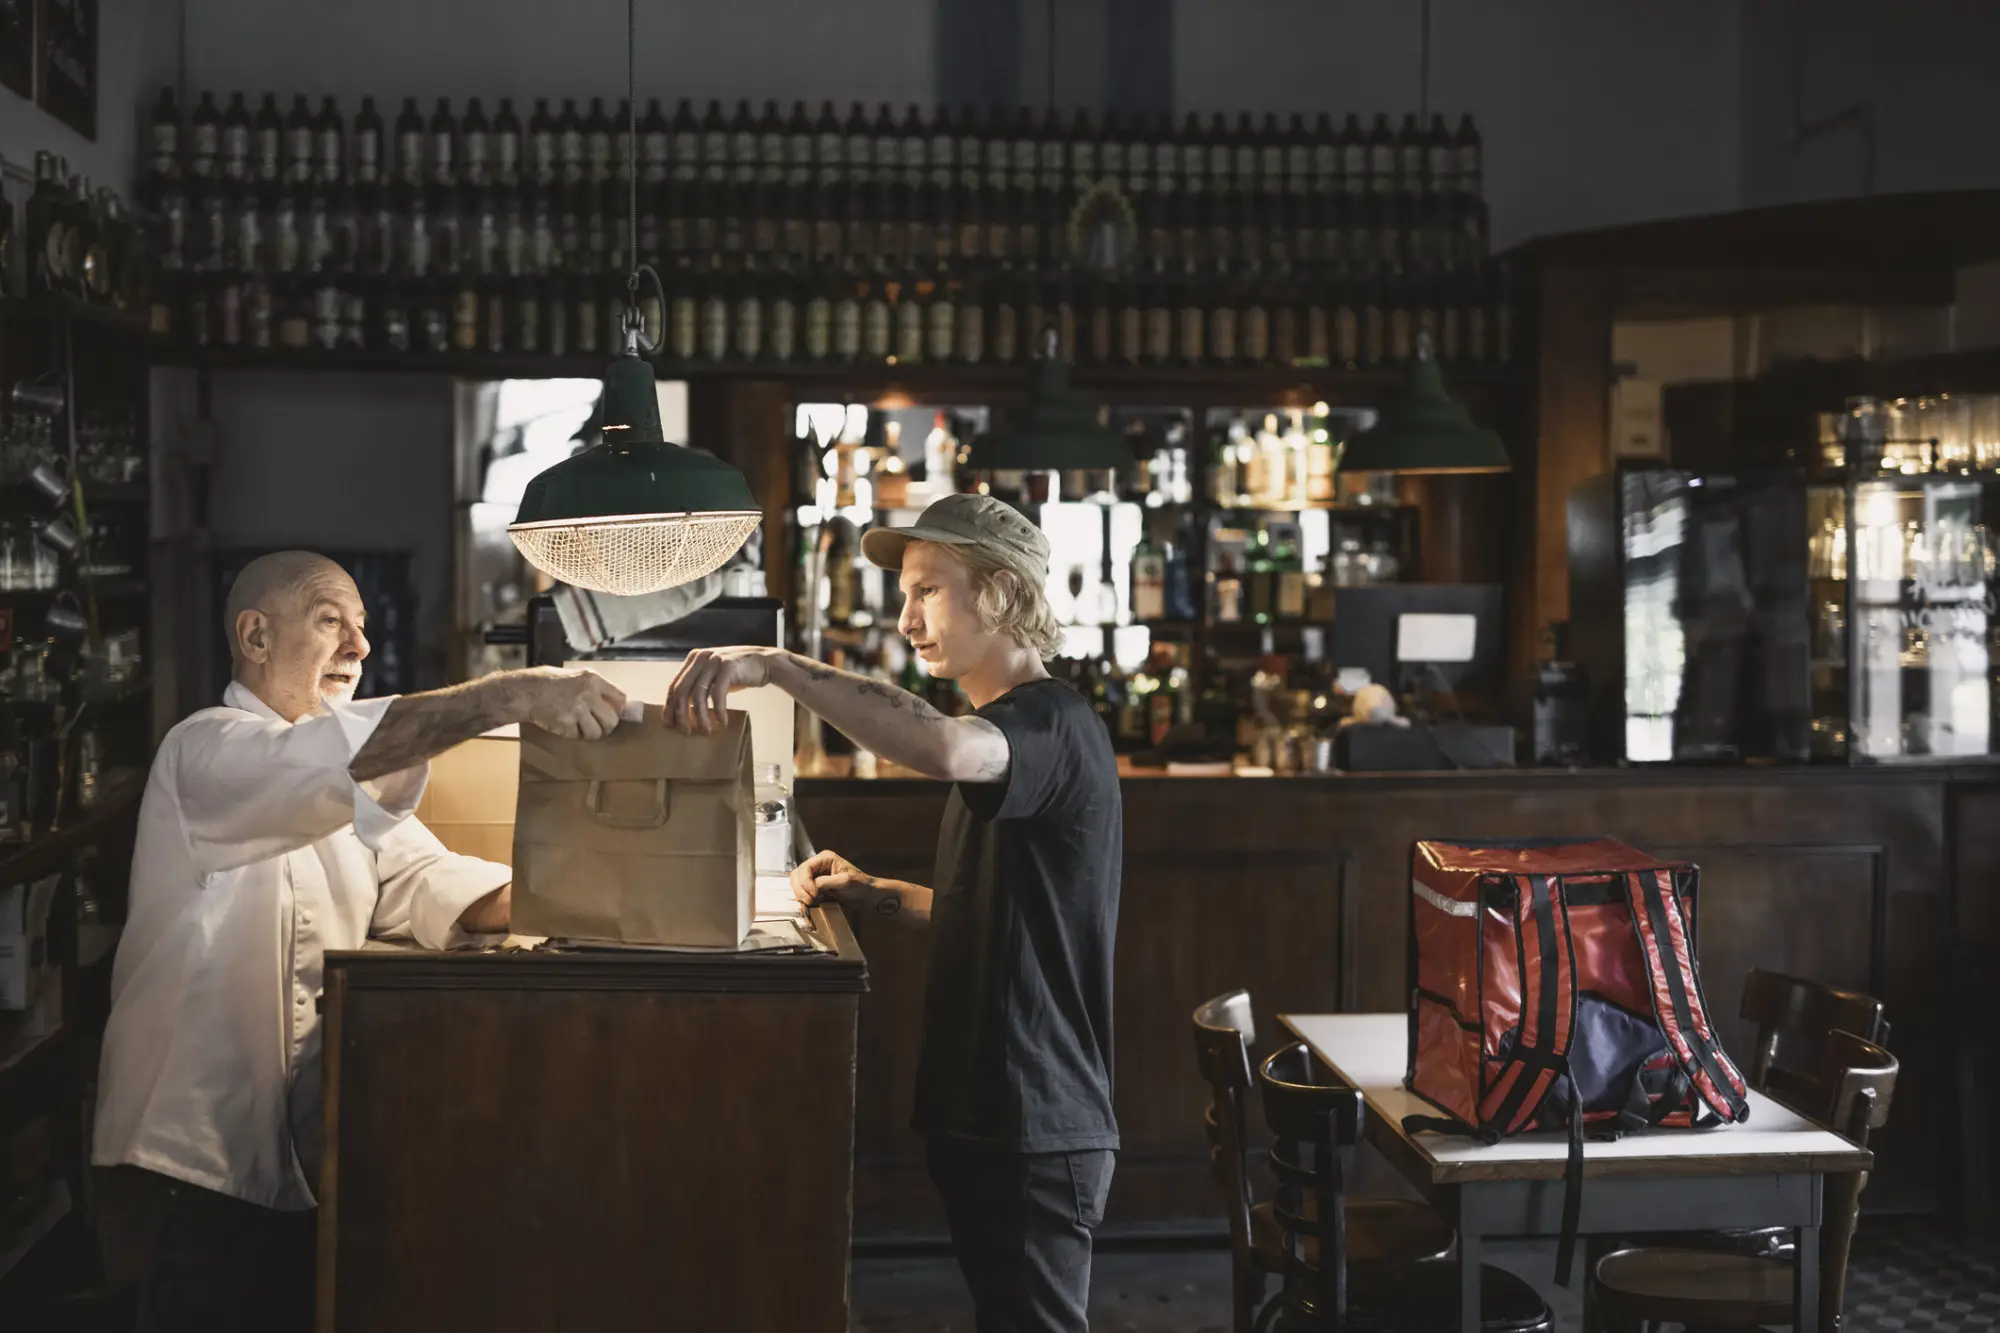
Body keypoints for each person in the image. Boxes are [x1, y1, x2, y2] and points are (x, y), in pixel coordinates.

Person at [93, 551, 627, 1333]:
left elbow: (429, 879)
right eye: (330, 620)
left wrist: (618, 897)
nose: (360, 647)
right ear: (255, 636)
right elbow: (327, 761)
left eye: (363, 627)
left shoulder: (346, 782)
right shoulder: (203, 749)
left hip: (295, 1158)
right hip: (185, 1161)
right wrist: (515, 691)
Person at [665, 494, 1123, 1333]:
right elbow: (1004, 912)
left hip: (1035, 1117)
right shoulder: (1010, 729)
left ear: (1001, 592)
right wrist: (880, 893)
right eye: (905, 593)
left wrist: (776, 666)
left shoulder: (1046, 723)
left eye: (929, 591)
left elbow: (943, 749)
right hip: (995, 1111)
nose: (906, 617)